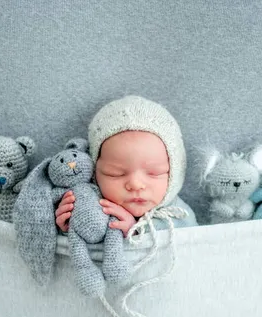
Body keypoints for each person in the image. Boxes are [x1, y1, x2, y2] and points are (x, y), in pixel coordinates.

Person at [55, 95, 198, 234]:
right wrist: (69, 226)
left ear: (174, 173)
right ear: (94, 172)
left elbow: (191, 248)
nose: (135, 184)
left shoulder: (180, 216)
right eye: (115, 173)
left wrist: (137, 230)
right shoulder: (90, 203)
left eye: (154, 172)